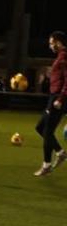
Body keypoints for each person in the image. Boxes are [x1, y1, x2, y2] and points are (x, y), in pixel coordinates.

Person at [34, 31, 67, 177]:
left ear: (58, 42)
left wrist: (60, 98)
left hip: (58, 98)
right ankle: (60, 153)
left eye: (51, 42)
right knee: (40, 128)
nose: (50, 45)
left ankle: (46, 165)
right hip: (54, 97)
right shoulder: (60, 56)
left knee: (47, 131)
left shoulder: (65, 55)